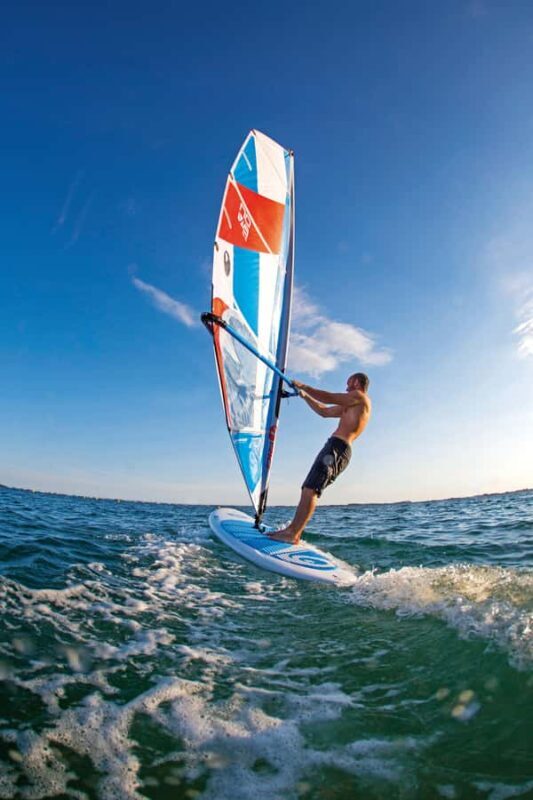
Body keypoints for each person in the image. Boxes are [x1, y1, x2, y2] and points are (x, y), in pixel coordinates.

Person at [267, 372, 371, 544]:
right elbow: (323, 411)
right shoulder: (351, 404)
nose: (346, 387)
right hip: (334, 447)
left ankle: (293, 534)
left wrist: (304, 386)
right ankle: (292, 531)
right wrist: (304, 396)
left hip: (338, 448)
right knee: (308, 487)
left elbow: (329, 397)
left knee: (312, 488)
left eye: (349, 383)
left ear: (357, 383)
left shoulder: (359, 398)